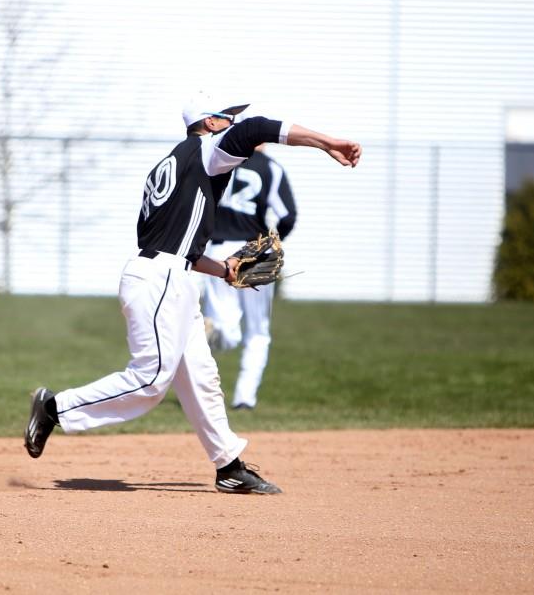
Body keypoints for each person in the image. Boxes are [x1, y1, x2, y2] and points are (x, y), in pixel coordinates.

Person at [24, 92, 361, 495]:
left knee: (201, 377)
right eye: (230, 117)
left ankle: (229, 466)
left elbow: (178, 247)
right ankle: (53, 407)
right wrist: (329, 143)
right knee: (149, 380)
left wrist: (224, 271)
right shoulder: (206, 151)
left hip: (168, 275)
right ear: (212, 122)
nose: (237, 124)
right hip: (161, 281)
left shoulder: (173, 166)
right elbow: (259, 129)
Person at [202, 145, 296, 410]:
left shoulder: (218, 162)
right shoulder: (270, 167)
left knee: (226, 330)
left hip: (216, 252)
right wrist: (272, 244)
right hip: (252, 250)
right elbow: (288, 216)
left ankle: (213, 332)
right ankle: (244, 398)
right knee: (257, 332)